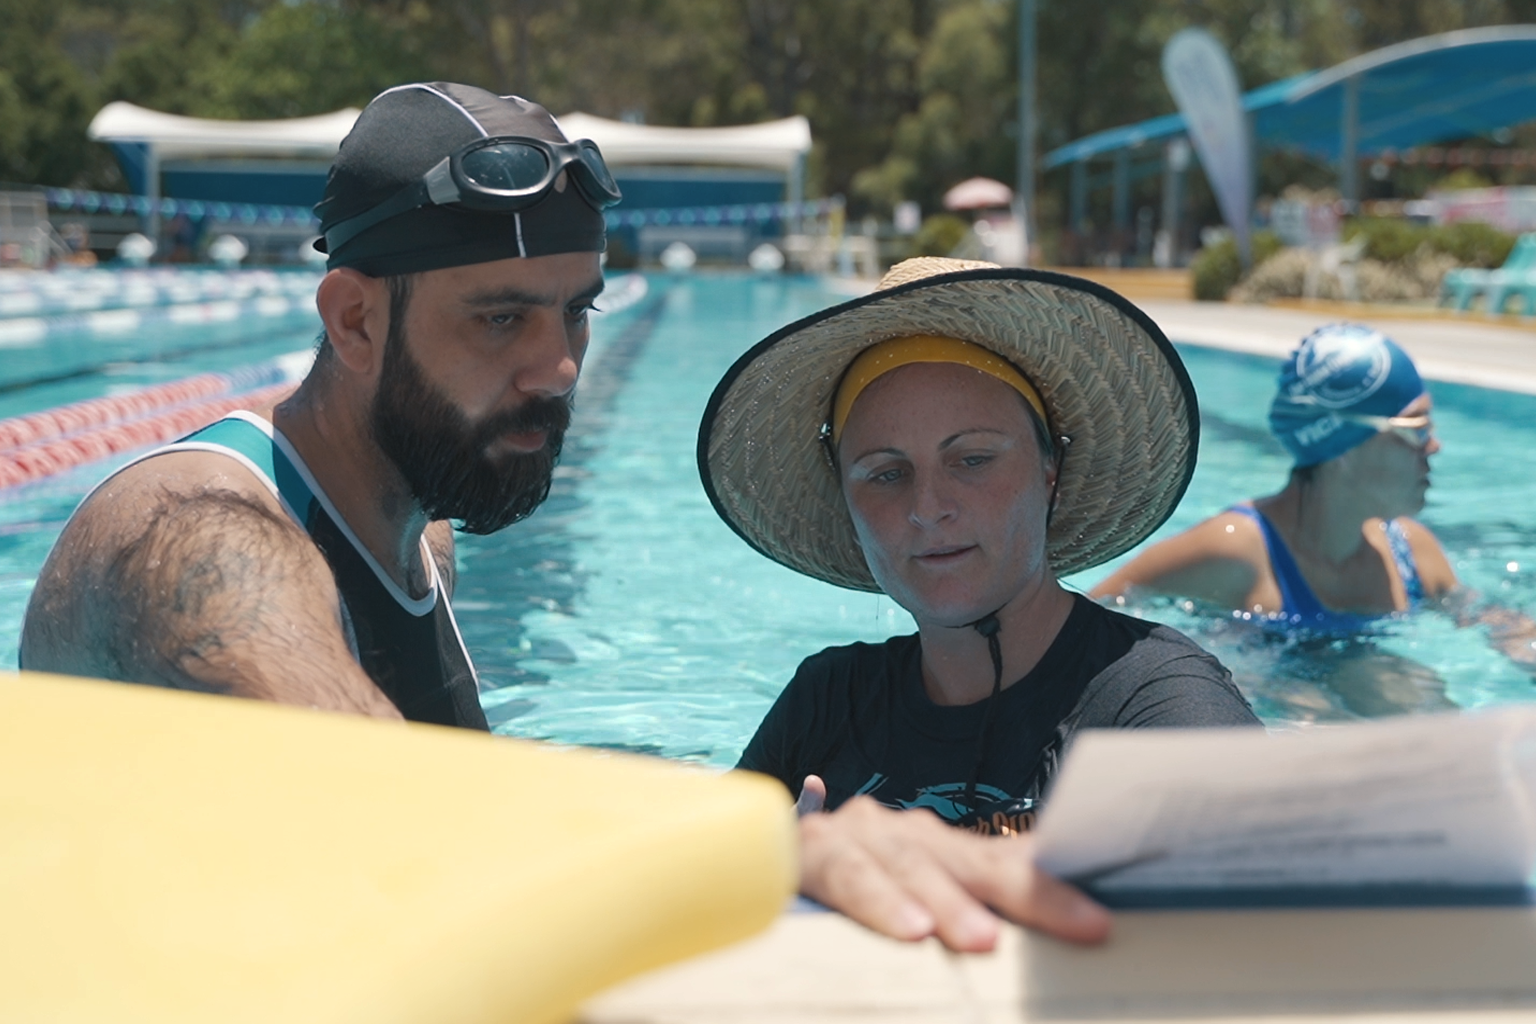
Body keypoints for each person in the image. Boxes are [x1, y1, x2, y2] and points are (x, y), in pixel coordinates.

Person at [17, 83, 1106, 953]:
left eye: (576, 310)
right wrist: (749, 852)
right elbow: (380, 802)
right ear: (352, 317)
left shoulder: (420, 536)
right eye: (500, 318)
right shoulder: (196, 532)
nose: (559, 367)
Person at [698, 257, 1261, 837]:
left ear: (1050, 470)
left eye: (972, 460)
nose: (929, 506)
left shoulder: (1153, 701)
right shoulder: (826, 703)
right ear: (847, 501)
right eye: (886, 474)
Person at [1090, 323, 1536, 715]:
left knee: (1421, 703)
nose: (1433, 446)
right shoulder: (1238, 550)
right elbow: (1088, 624)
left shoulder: (1413, 554)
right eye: (1416, 427)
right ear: (1344, 444)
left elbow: (1495, 622)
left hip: (1352, 678)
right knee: (1321, 707)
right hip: (1269, 684)